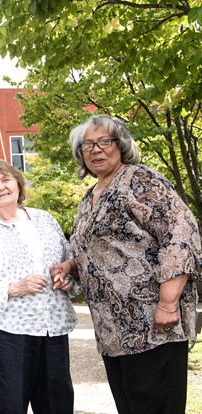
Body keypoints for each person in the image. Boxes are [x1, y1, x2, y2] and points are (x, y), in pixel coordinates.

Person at [52, 114, 202, 414]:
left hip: (152, 326)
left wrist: (168, 303)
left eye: (103, 142)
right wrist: (72, 265)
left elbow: (181, 234)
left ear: (120, 145)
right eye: (87, 145)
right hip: (113, 333)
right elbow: (104, 253)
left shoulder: (140, 180)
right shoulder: (90, 197)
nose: (95, 150)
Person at [0, 159, 77, 414]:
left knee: (57, 404)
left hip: (53, 327)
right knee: (11, 405)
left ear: (18, 184)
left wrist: (65, 280)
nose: (0, 187)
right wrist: (14, 288)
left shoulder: (46, 220)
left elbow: (70, 265)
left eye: (6, 180)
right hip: (8, 333)